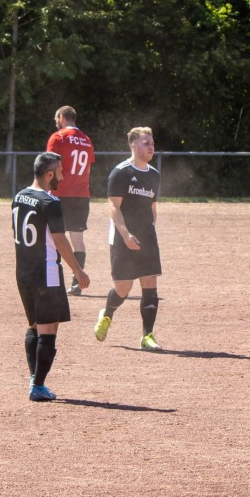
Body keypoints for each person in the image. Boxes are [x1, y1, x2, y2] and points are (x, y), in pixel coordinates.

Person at [12, 152, 90, 402]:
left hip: (23, 272)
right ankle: (38, 385)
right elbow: (59, 239)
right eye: (60, 171)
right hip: (46, 273)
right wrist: (77, 270)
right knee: (48, 331)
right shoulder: (50, 201)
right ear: (48, 174)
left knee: (34, 326)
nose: (63, 175)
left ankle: (34, 378)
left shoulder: (19, 196)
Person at [94, 127, 165, 351]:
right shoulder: (121, 172)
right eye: (146, 143)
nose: (151, 146)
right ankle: (107, 314)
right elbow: (113, 207)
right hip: (122, 235)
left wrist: (150, 229)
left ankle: (147, 336)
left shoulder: (154, 174)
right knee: (123, 288)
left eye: (152, 143)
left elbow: (153, 206)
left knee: (150, 284)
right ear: (134, 145)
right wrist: (126, 235)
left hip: (146, 237)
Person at [46, 106, 95, 296]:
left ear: (62, 118)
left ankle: (53, 281)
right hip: (81, 195)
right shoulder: (87, 140)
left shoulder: (58, 137)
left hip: (59, 194)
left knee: (52, 238)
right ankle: (77, 283)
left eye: (56, 118)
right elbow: (87, 169)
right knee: (78, 240)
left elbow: (49, 166)